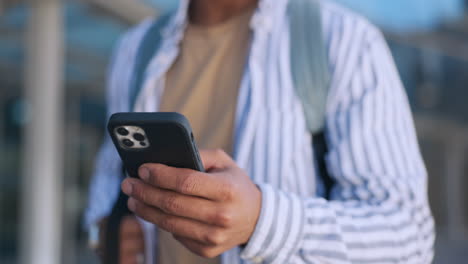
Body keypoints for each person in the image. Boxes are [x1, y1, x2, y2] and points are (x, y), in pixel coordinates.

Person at [85, 0, 435, 263]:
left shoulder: (345, 42)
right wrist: (105, 231)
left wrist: (262, 221)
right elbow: (108, 174)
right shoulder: (136, 49)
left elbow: (409, 236)